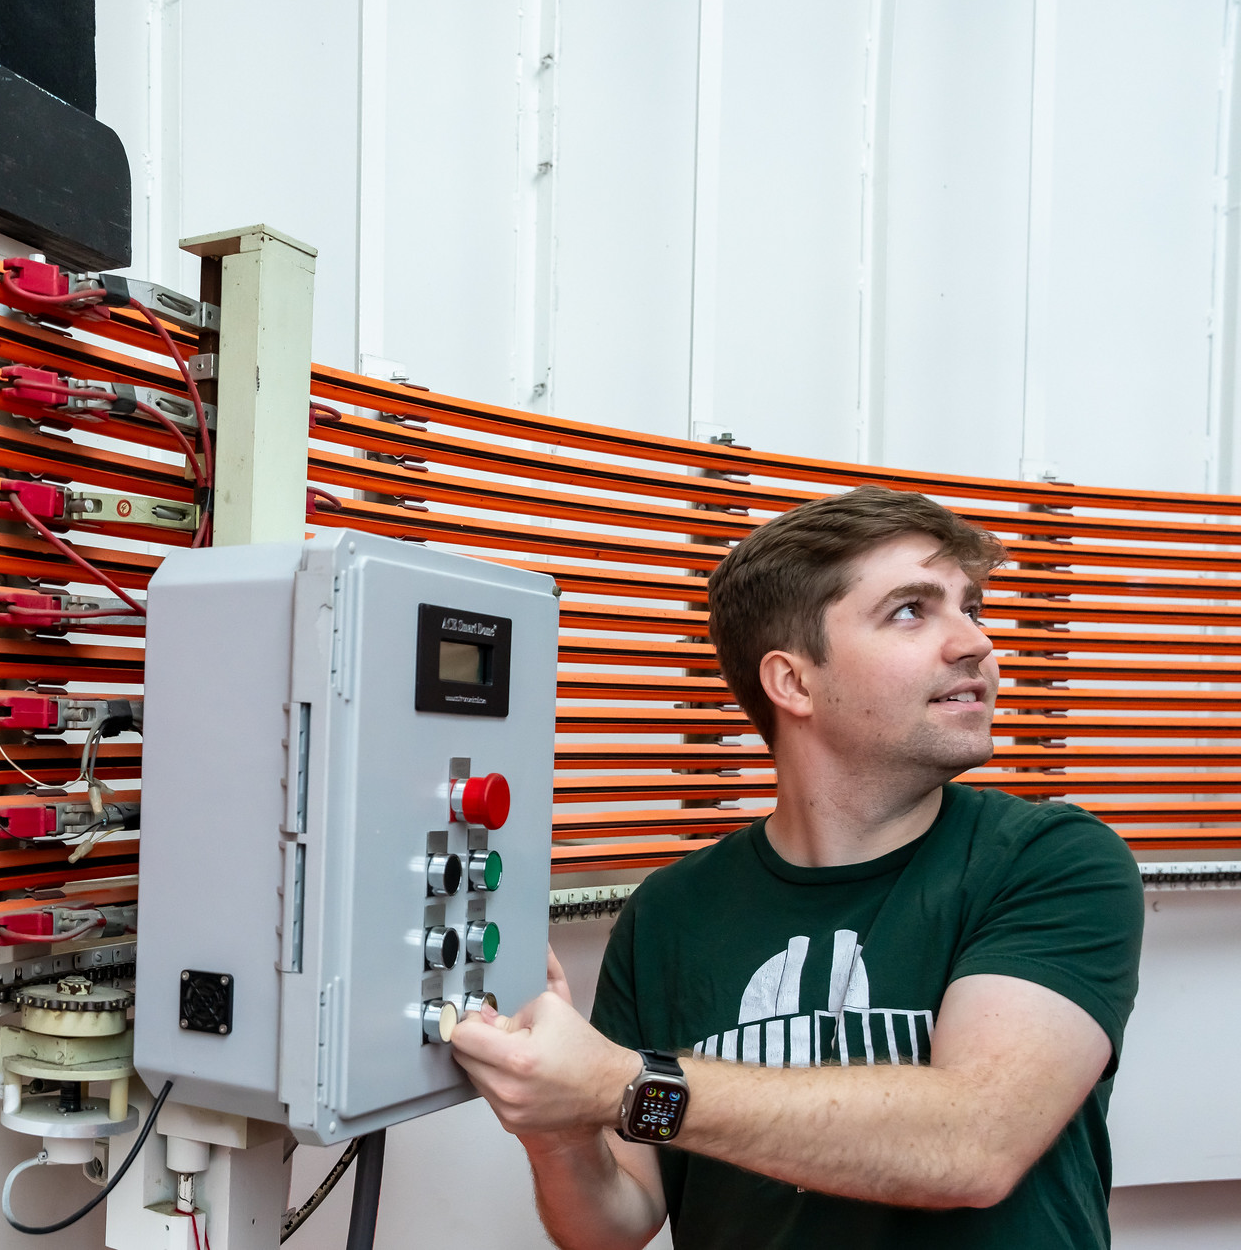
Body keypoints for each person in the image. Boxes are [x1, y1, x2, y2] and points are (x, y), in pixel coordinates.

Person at [451, 485, 1144, 1248]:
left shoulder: (1052, 860)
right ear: (793, 681)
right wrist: (555, 1118)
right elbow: (615, 1223)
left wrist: (618, 1082)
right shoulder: (669, 913)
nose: (975, 641)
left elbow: (973, 1143)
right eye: (911, 610)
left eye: (971, 607)